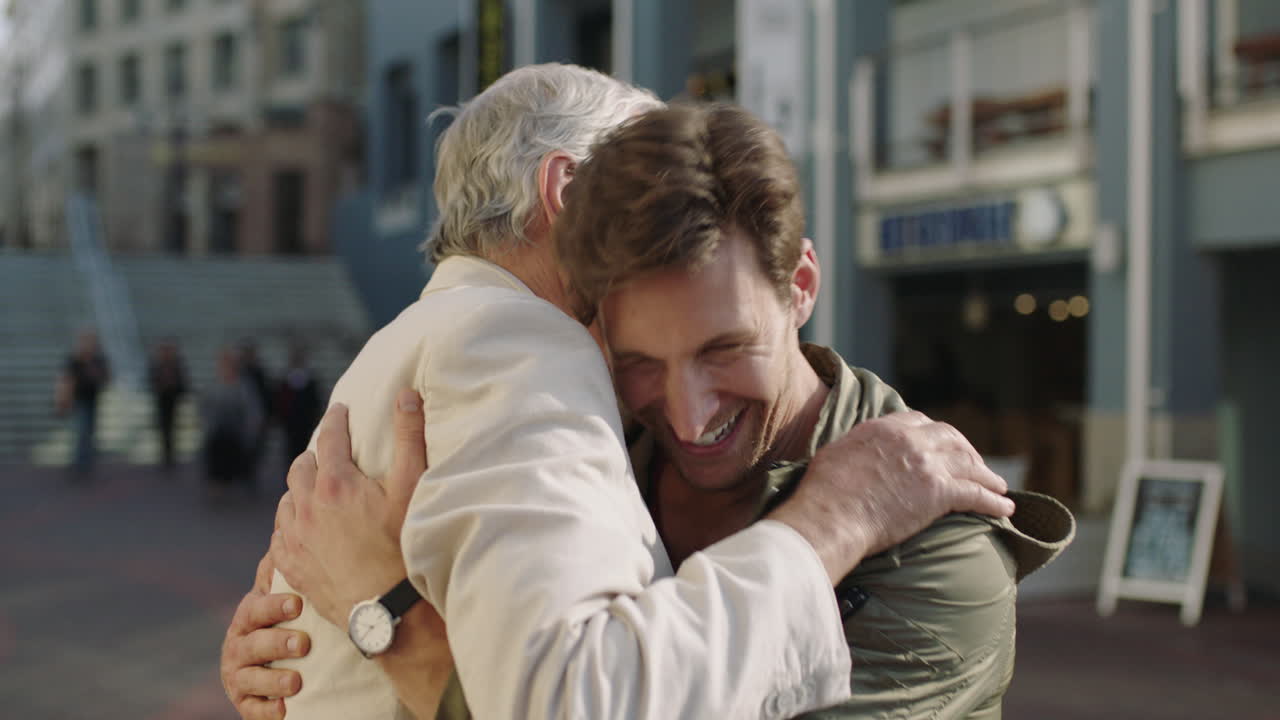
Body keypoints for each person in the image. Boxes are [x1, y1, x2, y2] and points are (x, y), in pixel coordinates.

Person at [220, 66, 1017, 720]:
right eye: (641, 359)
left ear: (802, 285)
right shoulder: (540, 366)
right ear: (570, 194)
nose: (685, 409)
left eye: (726, 348)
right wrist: (305, 645)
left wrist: (383, 619)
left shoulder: (939, 554)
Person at [203, 347, 265, 492]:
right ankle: (218, 484)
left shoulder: (244, 386)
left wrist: (250, 431)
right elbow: (206, 408)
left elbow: (253, 411)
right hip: (218, 432)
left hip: (238, 432)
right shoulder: (213, 386)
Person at [59, 329, 110, 476]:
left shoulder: (98, 359)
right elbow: (66, 379)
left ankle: (85, 462)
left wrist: (95, 373)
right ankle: (79, 464)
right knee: (81, 430)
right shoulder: (75, 359)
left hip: (93, 399)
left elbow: (105, 378)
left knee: (89, 431)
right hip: (78, 399)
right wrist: (63, 398)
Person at [275, 343, 323, 469]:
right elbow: (281, 403)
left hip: (306, 425)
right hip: (291, 426)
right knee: (291, 456)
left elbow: (314, 403)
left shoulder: (310, 381)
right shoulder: (286, 381)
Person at [148, 339, 188, 470]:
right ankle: (165, 457)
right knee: (164, 429)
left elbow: (184, 383)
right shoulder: (156, 366)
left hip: (173, 401)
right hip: (161, 401)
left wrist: (174, 386)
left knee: (172, 430)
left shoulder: (177, 365)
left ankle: (170, 457)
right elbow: (151, 382)